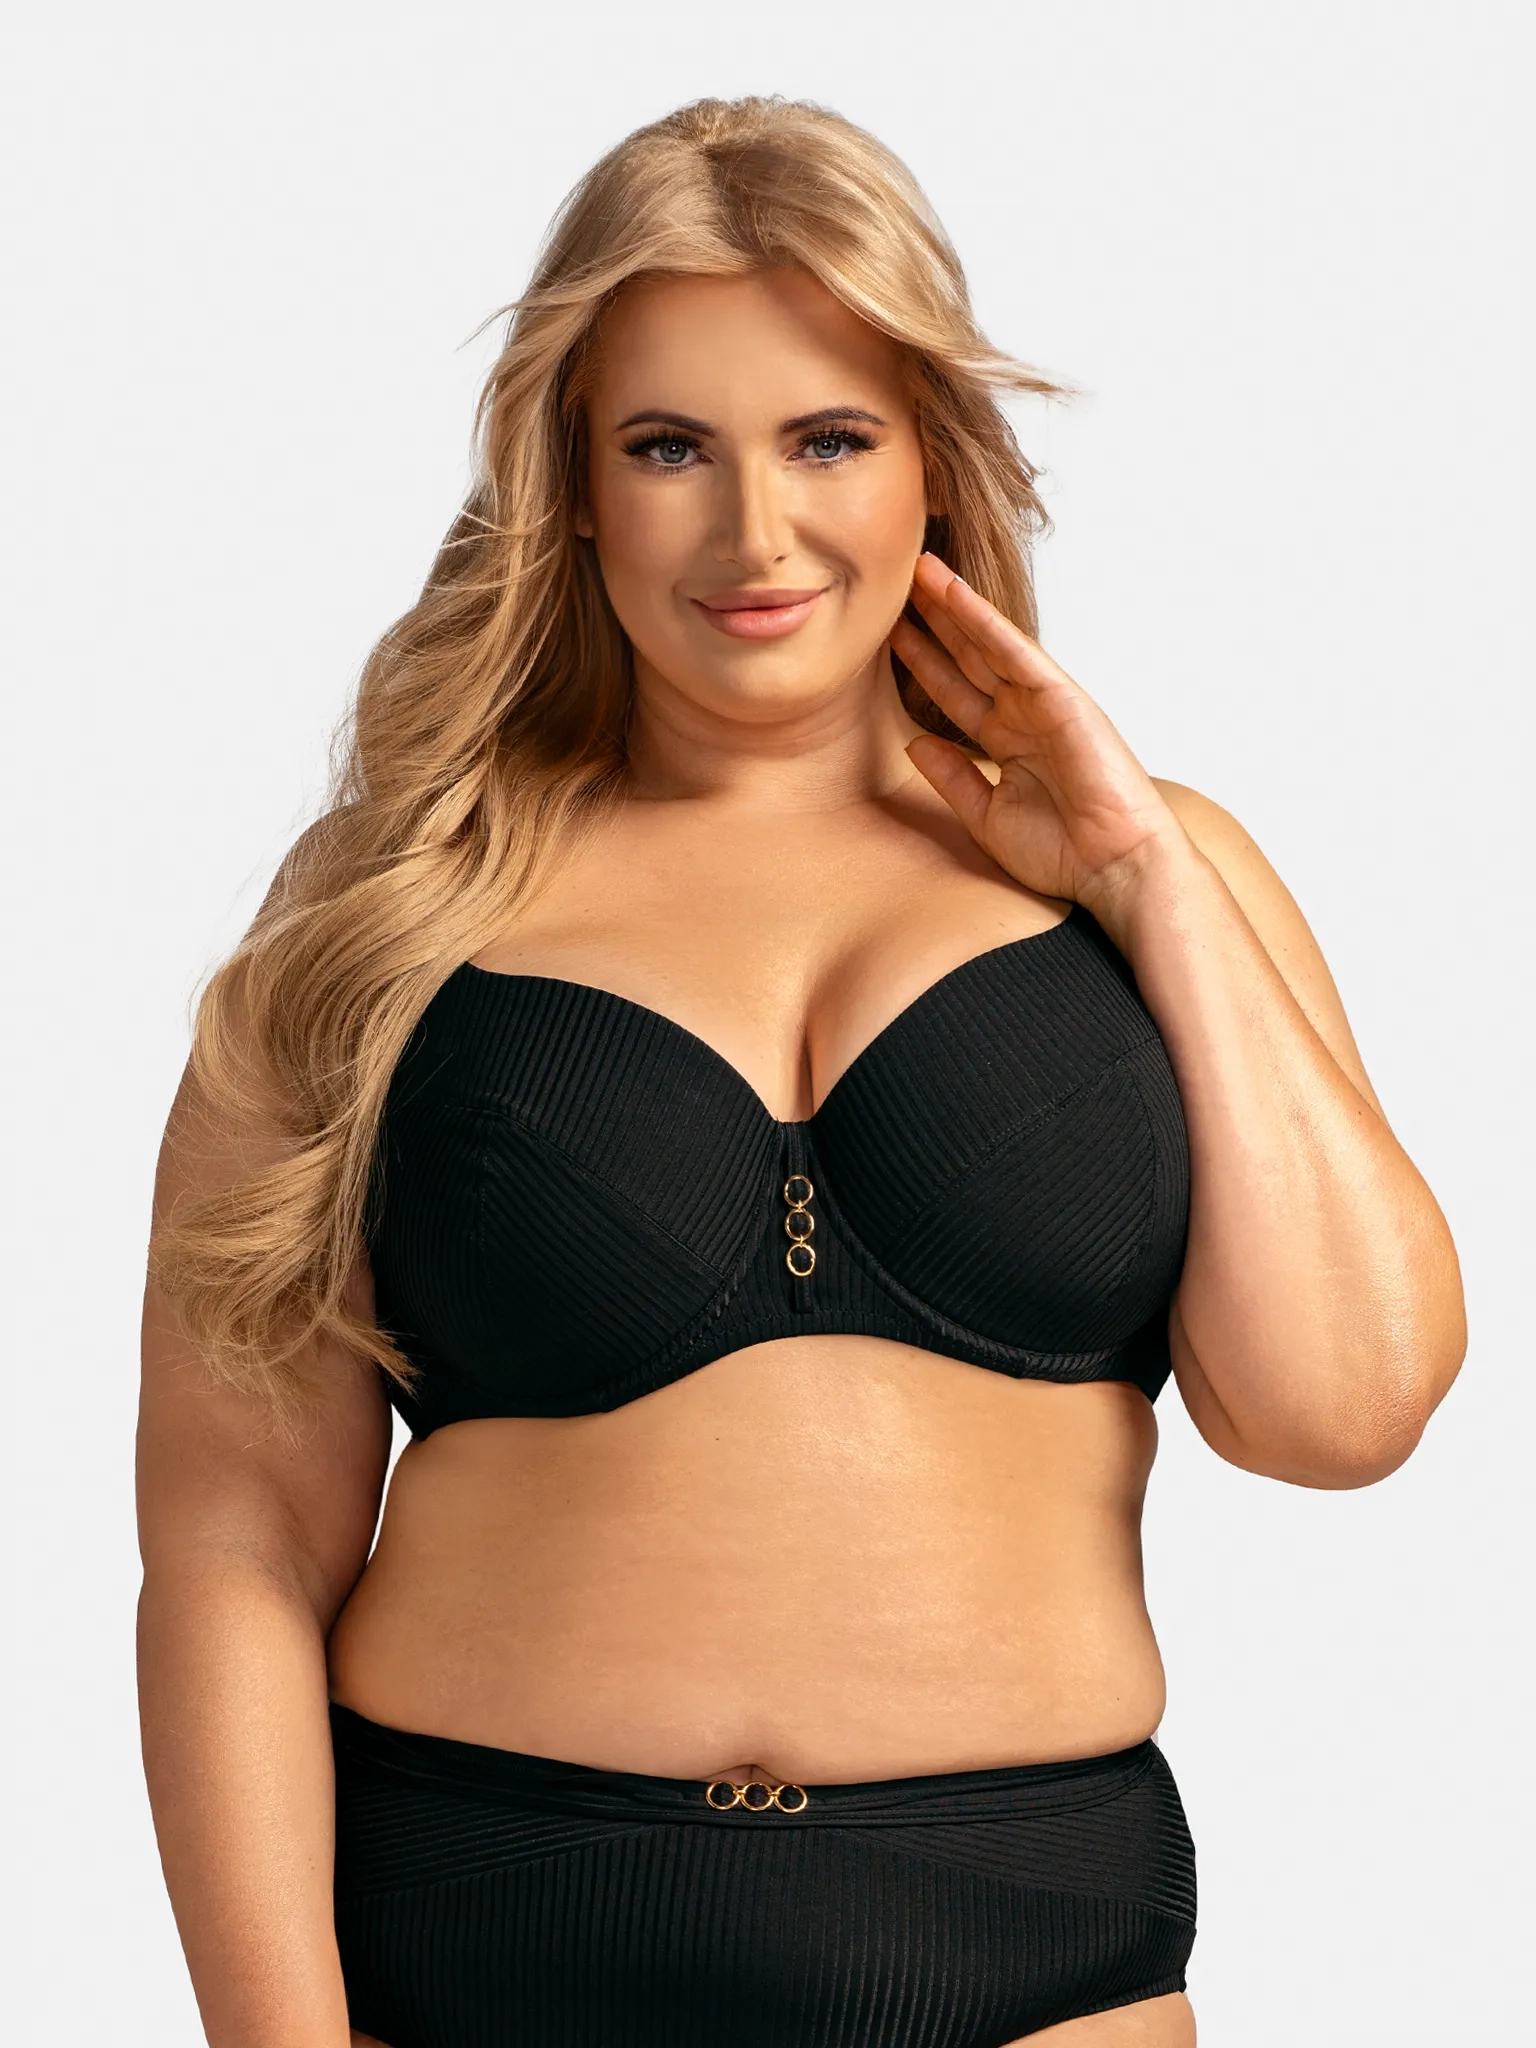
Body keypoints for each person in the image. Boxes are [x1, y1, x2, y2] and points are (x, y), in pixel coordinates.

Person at [136, 95, 1466, 2048]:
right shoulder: (386, 909)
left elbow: (1340, 1411)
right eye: (670, 447)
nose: (756, 533)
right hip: (485, 1937)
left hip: (1035, 1953)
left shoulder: (1162, 879)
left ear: (932, 456)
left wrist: (1143, 877)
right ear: (573, 484)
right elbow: (233, 1545)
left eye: (828, 439)